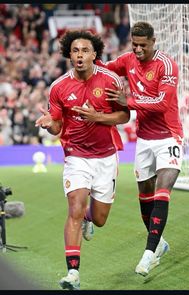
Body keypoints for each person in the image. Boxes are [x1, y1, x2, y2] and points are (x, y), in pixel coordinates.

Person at [35, 30, 130, 290]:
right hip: (76, 156)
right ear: (69, 54)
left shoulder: (110, 81)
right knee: (74, 209)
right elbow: (56, 126)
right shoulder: (59, 87)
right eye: (75, 50)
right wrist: (49, 125)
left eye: (85, 50)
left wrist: (97, 117)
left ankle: (90, 220)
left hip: (106, 157)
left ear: (95, 54)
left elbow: (124, 117)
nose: (80, 55)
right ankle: (73, 274)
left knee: (99, 218)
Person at [96, 21, 184, 276]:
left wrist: (129, 101)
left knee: (162, 191)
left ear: (153, 42)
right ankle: (160, 243)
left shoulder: (166, 65)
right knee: (144, 198)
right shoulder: (127, 59)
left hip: (168, 136)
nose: (137, 49)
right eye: (134, 44)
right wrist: (87, 58)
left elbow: (163, 102)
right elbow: (105, 69)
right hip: (144, 140)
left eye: (142, 45)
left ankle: (148, 253)